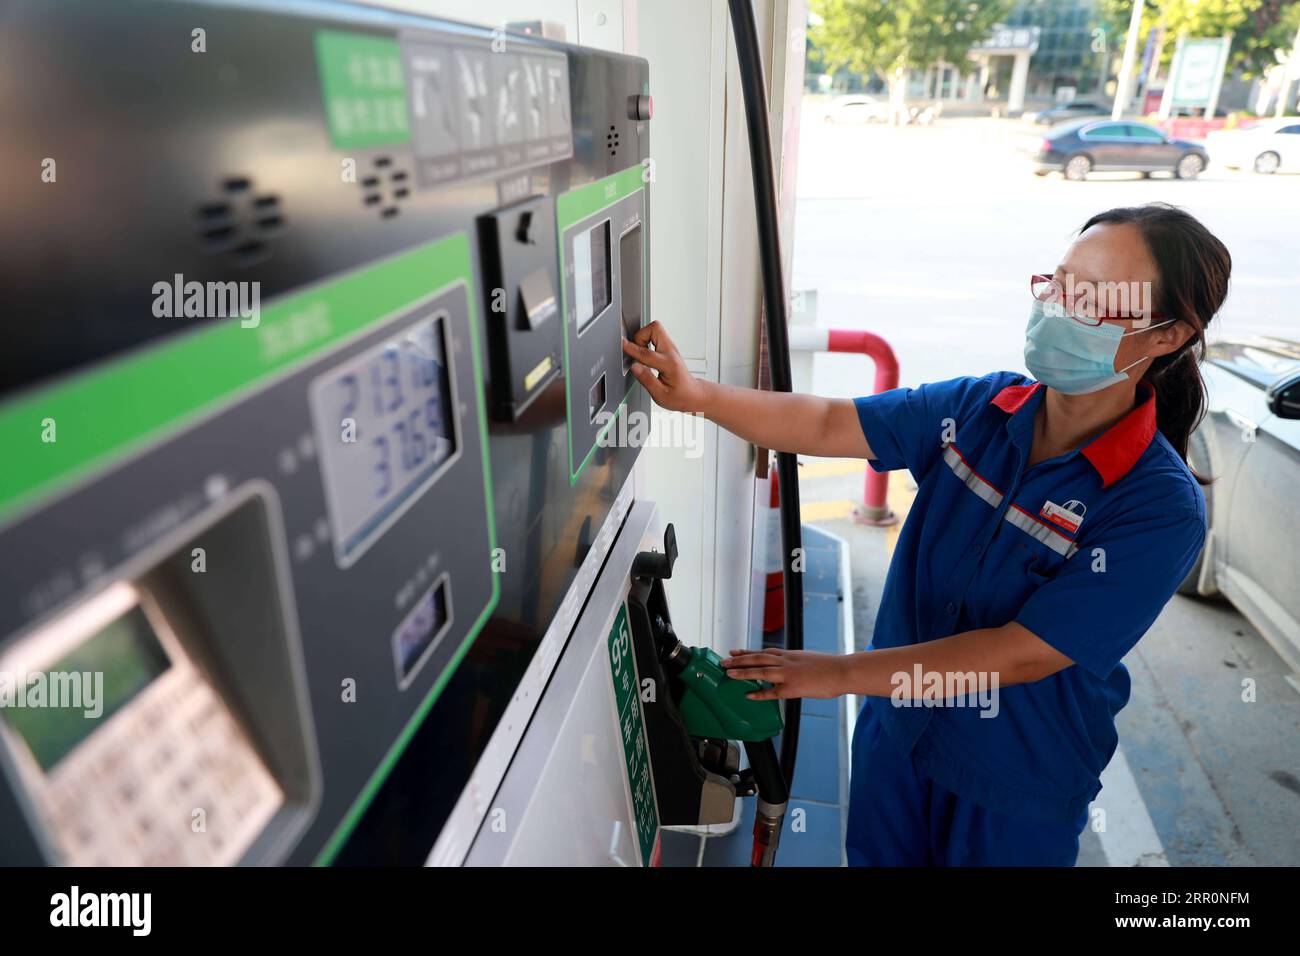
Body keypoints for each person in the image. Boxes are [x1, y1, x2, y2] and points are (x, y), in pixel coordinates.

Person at [621, 203, 1231, 866]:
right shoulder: (979, 410)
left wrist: (840, 674)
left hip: (1012, 788)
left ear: (1166, 336)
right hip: (897, 743)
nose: (1060, 307)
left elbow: (1023, 654)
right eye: (1058, 283)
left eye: (1093, 299)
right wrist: (700, 397)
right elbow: (830, 423)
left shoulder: (1157, 505)